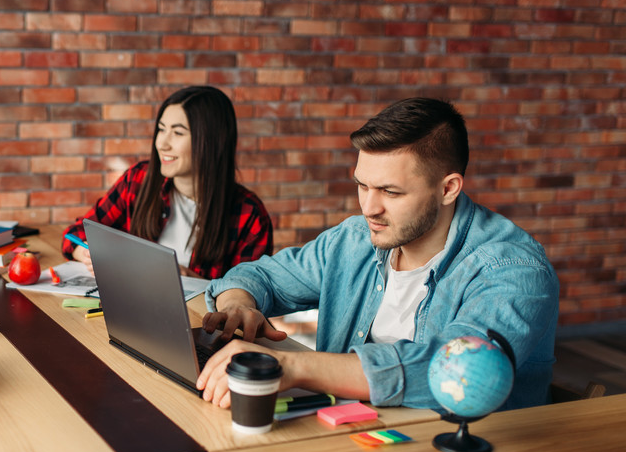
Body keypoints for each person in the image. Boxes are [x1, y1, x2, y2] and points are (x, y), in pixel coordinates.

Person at [198, 97, 559, 412]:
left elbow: (451, 367)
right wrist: (237, 304)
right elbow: (260, 277)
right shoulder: (355, 238)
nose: (369, 208)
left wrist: (295, 367)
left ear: (448, 189)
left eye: (390, 192)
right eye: (362, 185)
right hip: (356, 437)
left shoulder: (513, 269)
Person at [61, 86, 273, 280]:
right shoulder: (139, 179)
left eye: (178, 133)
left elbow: (249, 297)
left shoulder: (250, 215)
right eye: (161, 129)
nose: (161, 143)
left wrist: (188, 278)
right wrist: (87, 252)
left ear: (212, 142)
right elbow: (75, 233)